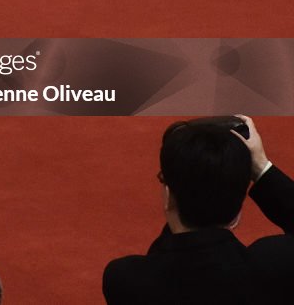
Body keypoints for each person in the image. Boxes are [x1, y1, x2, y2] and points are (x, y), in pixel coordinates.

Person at [102, 115, 294, 304]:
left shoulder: (125, 280)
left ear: (169, 197)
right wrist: (261, 168)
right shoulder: (278, 265)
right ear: (236, 213)